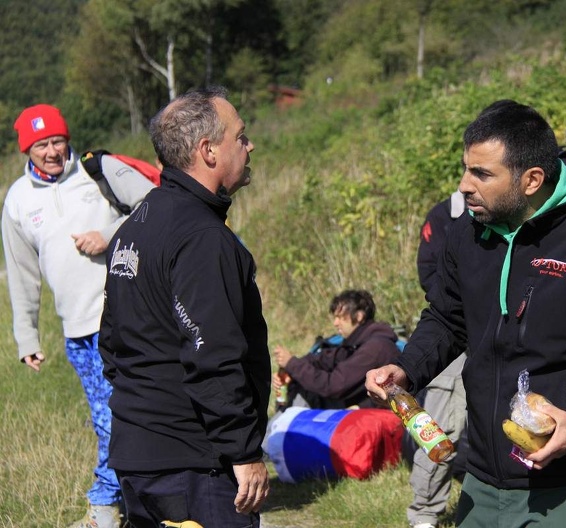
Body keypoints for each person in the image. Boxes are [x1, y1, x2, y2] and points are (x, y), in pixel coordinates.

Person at [366, 99, 566, 527]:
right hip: (481, 480)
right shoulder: (466, 235)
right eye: (466, 169)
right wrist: (406, 368)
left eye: (482, 174)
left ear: (531, 180)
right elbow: (447, 318)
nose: (463, 186)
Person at [98, 87, 270, 527]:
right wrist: (243, 450)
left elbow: (112, 345)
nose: (249, 146)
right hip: (194, 467)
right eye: (241, 136)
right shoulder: (201, 238)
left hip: (139, 457)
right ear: (208, 150)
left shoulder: (134, 226)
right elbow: (212, 355)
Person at [2, 104, 155, 528]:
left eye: (57, 140)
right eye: (41, 145)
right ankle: (130, 503)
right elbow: (21, 275)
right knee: (107, 418)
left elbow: (156, 205)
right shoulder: (17, 200)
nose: (52, 151)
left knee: (132, 413)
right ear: (26, 150)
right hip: (79, 333)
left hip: (131, 317)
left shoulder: (96, 171)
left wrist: (108, 236)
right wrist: (27, 338)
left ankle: (107, 504)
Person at [408, 191, 468, 528]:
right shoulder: (445, 214)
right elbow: (429, 272)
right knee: (439, 429)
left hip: (506, 338)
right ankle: (424, 515)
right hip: (454, 335)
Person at [272, 289, 401, 410]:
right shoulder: (354, 343)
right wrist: (290, 372)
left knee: (309, 393)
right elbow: (321, 359)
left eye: (340, 317)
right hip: (356, 410)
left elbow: (333, 386)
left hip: (378, 419)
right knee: (301, 385)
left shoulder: (374, 348)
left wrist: (292, 363)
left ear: (359, 316)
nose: (335, 323)